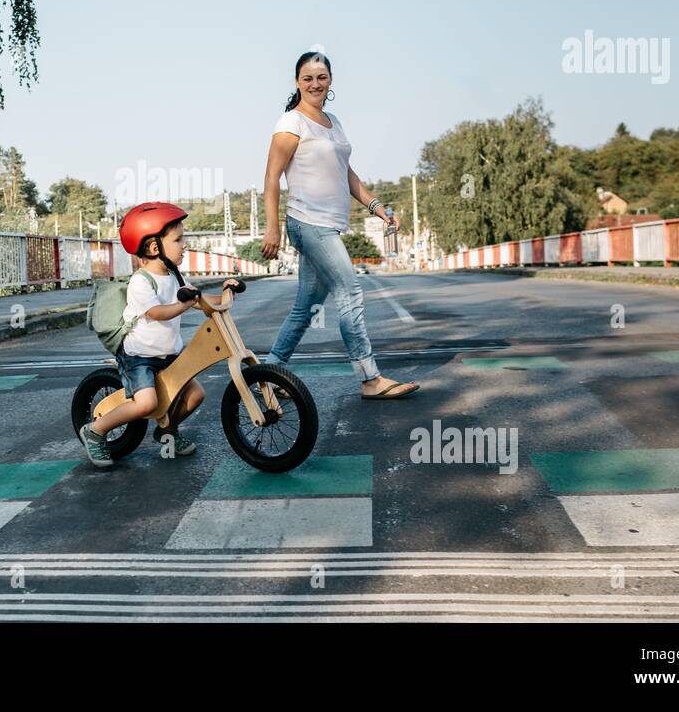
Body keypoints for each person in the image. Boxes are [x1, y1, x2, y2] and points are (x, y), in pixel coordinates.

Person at [261, 51, 421, 400]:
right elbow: (272, 178)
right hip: (307, 222)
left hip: (329, 224)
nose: (315, 84)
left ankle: (269, 372)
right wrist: (271, 228)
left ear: (330, 80)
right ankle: (369, 378)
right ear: (297, 82)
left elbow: (346, 173)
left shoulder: (333, 121)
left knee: (307, 306)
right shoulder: (291, 123)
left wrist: (376, 206)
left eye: (321, 77)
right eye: (308, 78)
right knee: (350, 291)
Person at [78, 201, 240, 467]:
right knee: (146, 404)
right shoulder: (141, 281)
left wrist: (224, 292)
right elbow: (157, 312)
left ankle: (167, 430)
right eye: (178, 240)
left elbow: (198, 300)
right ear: (155, 248)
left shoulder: (175, 275)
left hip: (169, 354)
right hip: (140, 356)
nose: (184, 245)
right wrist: (183, 304)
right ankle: (95, 432)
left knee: (195, 396)